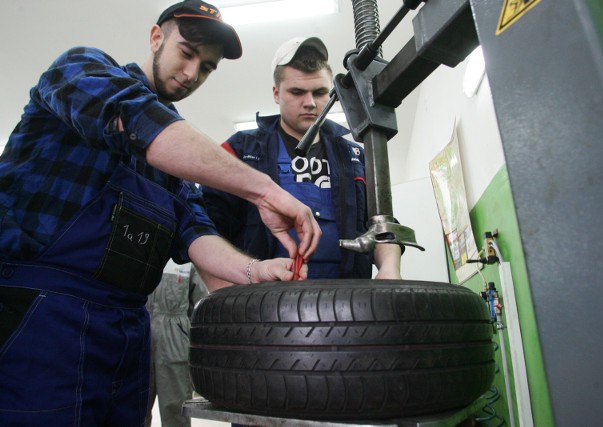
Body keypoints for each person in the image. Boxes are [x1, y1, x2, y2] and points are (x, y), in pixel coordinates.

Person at [0, 2, 321, 425]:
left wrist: (253, 271)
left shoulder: (176, 161)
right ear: (156, 38)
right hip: (41, 324)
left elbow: (195, 230)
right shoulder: (81, 70)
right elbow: (136, 117)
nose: (192, 74)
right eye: (187, 53)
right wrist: (263, 190)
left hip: (128, 334)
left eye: (206, 68)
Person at [201, 37, 402, 285]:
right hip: (260, 306)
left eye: (319, 93)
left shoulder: (356, 157)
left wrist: (389, 269)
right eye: (297, 92)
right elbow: (205, 227)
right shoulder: (239, 150)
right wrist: (221, 292)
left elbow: (383, 226)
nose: (309, 103)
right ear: (276, 93)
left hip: (349, 305)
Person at [145, 264, 207, 427]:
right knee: (134, 407)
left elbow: (199, 307)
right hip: (139, 334)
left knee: (176, 409)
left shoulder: (186, 263)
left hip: (175, 339)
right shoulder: (140, 252)